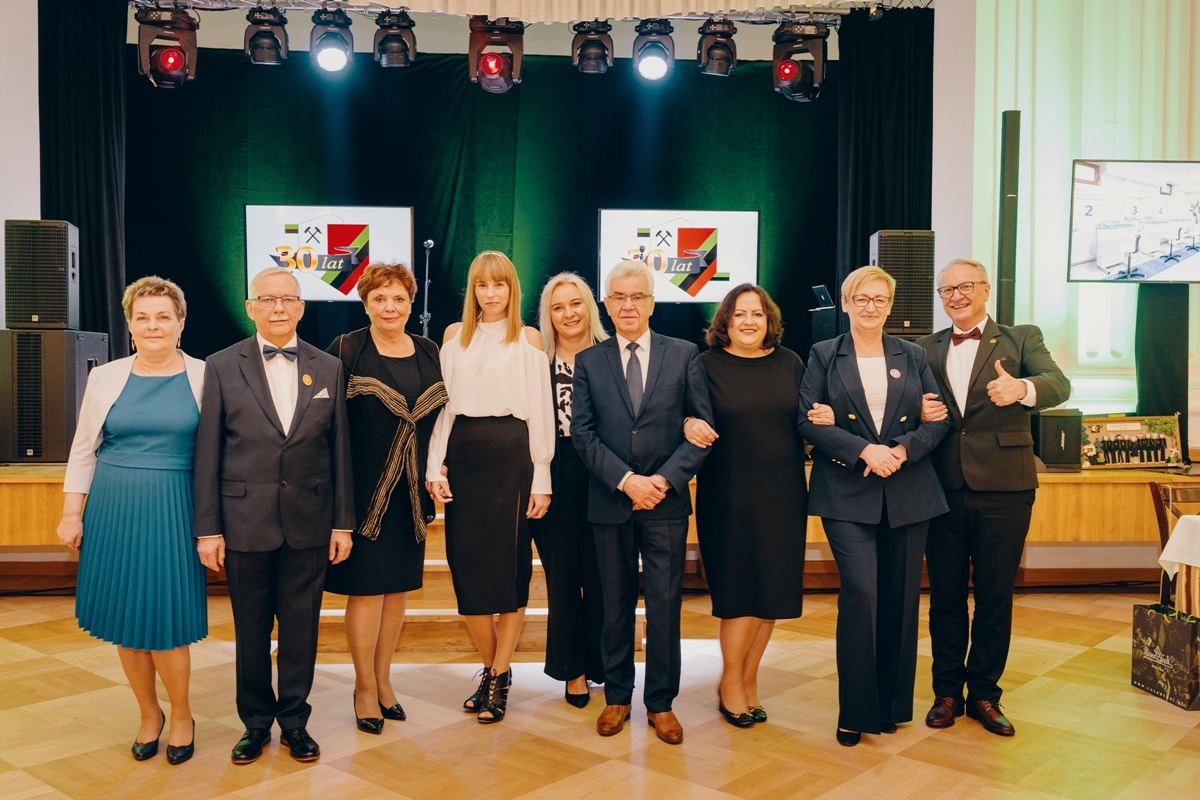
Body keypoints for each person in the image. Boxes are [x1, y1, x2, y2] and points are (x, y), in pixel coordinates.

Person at [193, 266, 354, 765]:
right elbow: (208, 451)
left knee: (302, 629)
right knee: (251, 631)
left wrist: (342, 522)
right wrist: (208, 529)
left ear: (301, 307)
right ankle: (255, 724)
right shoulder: (221, 365)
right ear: (251, 307)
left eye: (287, 299)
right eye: (267, 298)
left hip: (311, 521)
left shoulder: (329, 367)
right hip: (244, 522)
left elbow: (340, 450)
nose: (278, 307)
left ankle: (295, 723)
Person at [797, 265, 950, 747]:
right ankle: (856, 711)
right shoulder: (824, 354)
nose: (870, 307)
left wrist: (901, 450)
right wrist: (865, 450)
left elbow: (938, 418)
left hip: (908, 489)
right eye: (861, 298)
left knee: (902, 600)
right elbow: (806, 420)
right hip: (847, 492)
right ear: (845, 303)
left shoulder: (913, 354)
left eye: (880, 299)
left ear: (890, 305)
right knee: (861, 593)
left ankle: (891, 706)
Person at [917, 258, 1070, 737]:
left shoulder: (1021, 338)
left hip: (1005, 487)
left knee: (994, 595)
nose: (956, 296)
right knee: (944, 597)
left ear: (985, 289)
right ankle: (947, 692)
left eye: (965, 286)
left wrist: (1021, 387)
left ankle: (984, 693)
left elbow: (1058, 384)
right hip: (941, 488)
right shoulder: (923, 347)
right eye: (947, 290)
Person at [57, 276, 206, 766]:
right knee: (126, 618)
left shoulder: (208, 376)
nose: (153, 325)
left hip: (174, 507)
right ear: (129, 324)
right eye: (142, 317)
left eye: (163, 316)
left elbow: (221, 456)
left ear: (181, 323)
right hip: (113, 506)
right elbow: (84, 448)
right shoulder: (105, 376)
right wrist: (72, 513)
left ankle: (181, 714)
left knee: (167, 621)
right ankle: (148, 713)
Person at [571, 260, 713, 745]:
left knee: (665, 607)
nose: (628, 305)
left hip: (665, 505)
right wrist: (627, 481)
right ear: (606, 304)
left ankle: (661, 703)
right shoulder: (590, 361)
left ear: (652, 303)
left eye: (637, 296)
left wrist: (663, 481)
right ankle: (616, 697)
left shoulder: (685, 354)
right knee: (613, 605)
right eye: (619, 296)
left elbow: (701, 429)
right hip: (611, 502)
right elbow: (583, 434)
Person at [425, 251, 554, 724]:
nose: (491, 293)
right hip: (464, 454)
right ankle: (491, 666)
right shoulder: (453, 337)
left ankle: (498, 675)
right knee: (467, 568)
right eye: (483, 284)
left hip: (513, 455)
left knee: (509, 567)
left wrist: (542, 477)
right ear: (472, 290)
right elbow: (442, 409)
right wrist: (433, 467)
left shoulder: (529, 338)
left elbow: (541, 410)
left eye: (500, 284)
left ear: (512, 289)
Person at [325, 263, 447, 734]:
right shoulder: (347, 348)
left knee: (397, 590)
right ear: (365, 304)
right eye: (379, 299)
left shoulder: (429, 350)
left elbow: (442, 419)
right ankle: (363, 688)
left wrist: (440, 467)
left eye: (398, 299)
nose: (389, 307)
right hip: (364, 494)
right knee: (367, 591)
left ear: (411, 304)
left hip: (410, 496)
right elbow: (327, 423)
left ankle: (383, 680)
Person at [682, 284, 813, 727]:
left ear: (769, 319)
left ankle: (748, 680)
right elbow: (683, 413)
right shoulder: (705, 365)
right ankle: (730, 683)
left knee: (772, 592)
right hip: (728, 495)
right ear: (725, 321)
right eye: (739, 314)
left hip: (783, 495)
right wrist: (686, 421)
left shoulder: (790, 363)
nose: (749, 321)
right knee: (739, 594)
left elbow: (806, 419)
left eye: (757, 314)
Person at [530, 272, 608, 708]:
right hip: (554, 474)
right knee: (563, 578)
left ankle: (603, 665)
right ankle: (572, 671)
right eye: (557, 307)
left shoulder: (611, 355)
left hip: (605, 474)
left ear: (589, 307)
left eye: (575, 303)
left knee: (601, 577)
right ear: (548, 315)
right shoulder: (537, 361)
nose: (568, 313)